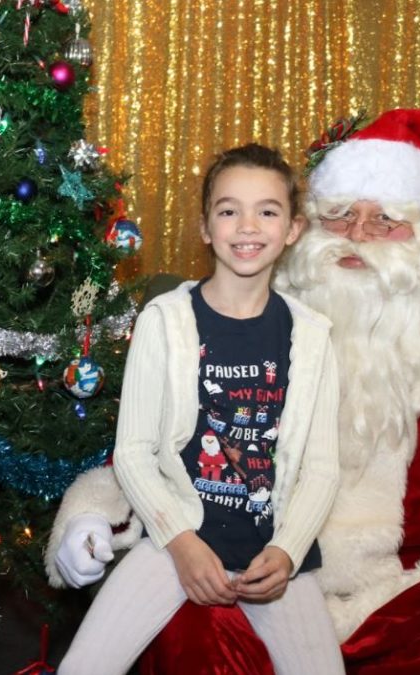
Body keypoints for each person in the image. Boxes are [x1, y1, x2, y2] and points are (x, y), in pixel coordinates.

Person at [46, 109, 420, 673]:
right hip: (230, 564)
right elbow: (151, 448)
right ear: (308, 229)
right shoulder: (254, 310)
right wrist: (90, 515)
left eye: (386, 220)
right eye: (340, 216)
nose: (359, 235)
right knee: (187, 635)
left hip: (410, 586)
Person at [58, 144, 343, 675]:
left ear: (293, 229)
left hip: (272, 557)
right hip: (175, 544)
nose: (247, 225)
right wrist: (181, 543)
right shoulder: (164, 321)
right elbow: (134, 453)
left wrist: (287, 551)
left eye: (268, 211)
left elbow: (323, 469)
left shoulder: (313, 336)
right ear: (207, 228)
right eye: (229, 210)